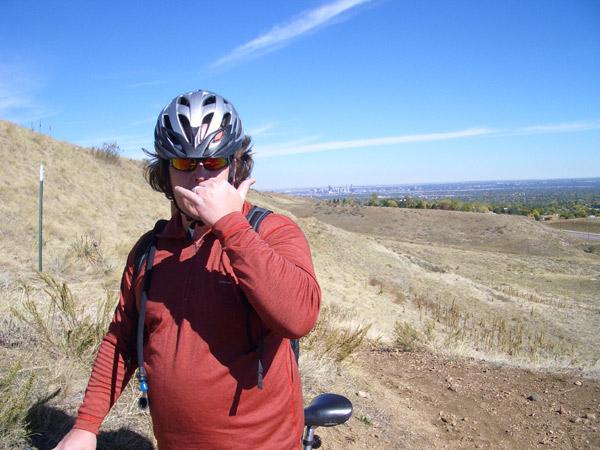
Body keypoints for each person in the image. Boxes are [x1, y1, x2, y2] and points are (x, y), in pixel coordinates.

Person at [54, 89, 321, 449]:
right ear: (165, 171)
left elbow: (298, 317)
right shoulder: (149, 251)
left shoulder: (270, 232)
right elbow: (121, 340)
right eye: (183, 163)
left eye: (213, 163)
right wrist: (85, 426)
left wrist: (231, 225)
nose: (199, 175)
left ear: (235, 166)